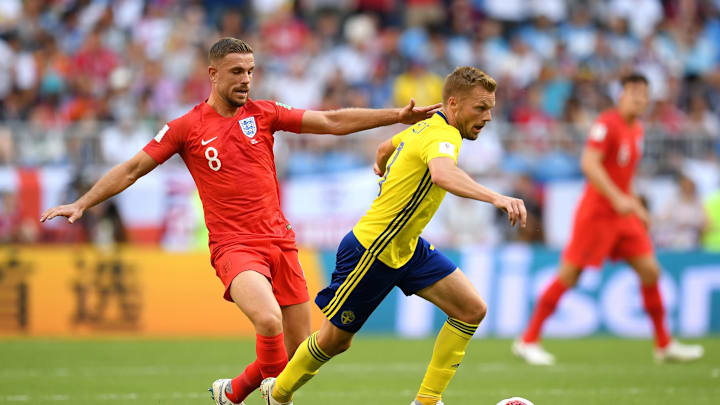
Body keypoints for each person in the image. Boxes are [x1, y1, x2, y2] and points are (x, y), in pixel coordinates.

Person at [39, 37, 442, 405]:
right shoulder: (186, 127)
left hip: (280, 243)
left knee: (299, 354)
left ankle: (232, 392)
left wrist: (396, 115)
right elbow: (132, 169)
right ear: (213, 74)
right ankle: (271, 400)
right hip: (234, 246)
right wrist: (83, 203)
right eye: (237, 71)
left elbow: (331, 121)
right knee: (267, 321)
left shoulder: (264, 114)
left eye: (250, 71)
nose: (246, 79)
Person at [259, 66, 527, 405]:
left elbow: (386, 146)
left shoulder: (427, 126)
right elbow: (443, 174)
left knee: (471, 309)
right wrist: (497, 197)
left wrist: (384, 167)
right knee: (335, 341)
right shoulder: (444, 136)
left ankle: (427, 401)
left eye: (490, 108)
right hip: (372, 249)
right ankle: (278, 394)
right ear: (454, 104)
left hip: (407, 246)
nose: (488, 117)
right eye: (480, 108)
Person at [513, 73, 704, 365]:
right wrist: (617, 198)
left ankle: (664, 345)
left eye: (644, 94)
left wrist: (637, 206)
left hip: (623, 215)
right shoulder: (606, 123)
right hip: (597, 214)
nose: (639, 99)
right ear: (621, 95)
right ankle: (528, 340)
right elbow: (589, 163)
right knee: (570, 275)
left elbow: (624, 177)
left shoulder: (637, 129)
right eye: (633, 93)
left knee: (650, 271)